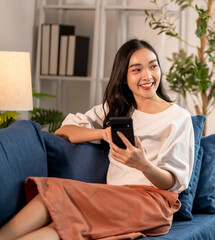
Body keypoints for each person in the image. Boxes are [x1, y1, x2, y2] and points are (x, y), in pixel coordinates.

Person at [0, 39, 194, 240]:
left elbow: (173, 182)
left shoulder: (178, 118)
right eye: (137, 70)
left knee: (55, 198)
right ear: (123, 78)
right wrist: (103, 133)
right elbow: (64, 131)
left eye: (153, 66)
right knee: (56, 217)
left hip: (152, 203)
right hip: (115, 197)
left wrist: (143, 164)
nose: (148, 75)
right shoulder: (117, 110)